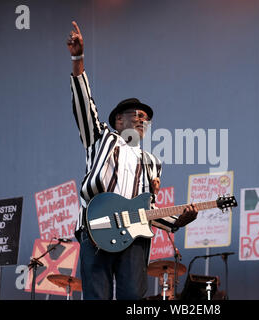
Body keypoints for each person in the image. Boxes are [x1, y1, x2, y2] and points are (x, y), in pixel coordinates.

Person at [67, 21, 198, 300]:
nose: (141, 119)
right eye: (134, 114)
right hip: (96, 228)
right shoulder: (101, 138)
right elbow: (83, 106)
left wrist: (179, 219)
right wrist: (78, 60)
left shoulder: (151, 162)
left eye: (145, 118)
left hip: (134, 238)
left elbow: (147, 209)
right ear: (118, 120)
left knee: (133, 300)